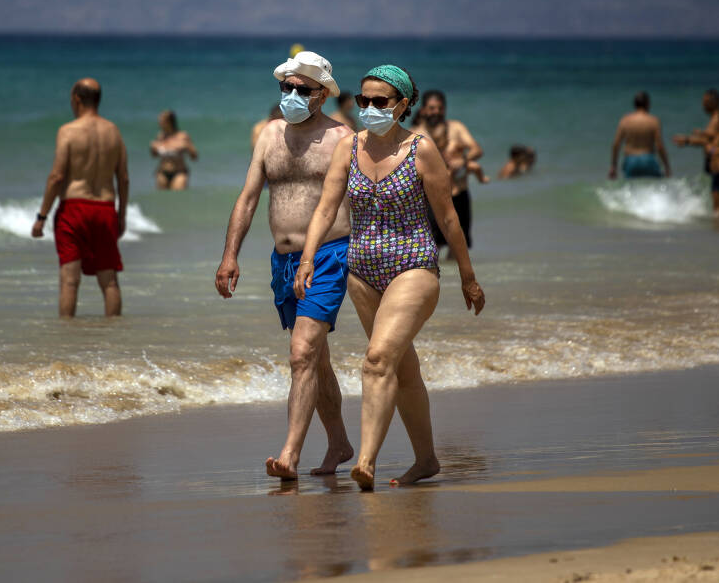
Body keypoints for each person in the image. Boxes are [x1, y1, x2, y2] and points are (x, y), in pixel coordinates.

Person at [296, 65, 485, 491]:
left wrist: (468, 277)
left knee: (378, 360)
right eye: (363, 101)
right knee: (402, 368)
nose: (369, 108)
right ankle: (427, 460)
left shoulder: (422, 149)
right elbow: (326, 209)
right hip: (361, 271)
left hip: (414, 266)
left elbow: (448, 218)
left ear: (401, 104)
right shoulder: (348, 146)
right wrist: (308, 258)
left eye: (379, 101)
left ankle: (365, 461)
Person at [215, 51, 355, 481]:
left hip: (329, 256)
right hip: (283, 261)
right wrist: (230, 254)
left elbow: (357, 201)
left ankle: (290, 454)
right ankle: (339, 443)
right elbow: (249, 197)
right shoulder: (270, 135)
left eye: (302, 90)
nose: (292, 96)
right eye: (286, 88)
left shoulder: (341, 138)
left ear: (322, 94)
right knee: (315, 358)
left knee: (300, 354)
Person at [31, 78, 129, 318]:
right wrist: (121, 216)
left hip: (74, 209)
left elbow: (56, 176)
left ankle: (67, 344)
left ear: (76, 99)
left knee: (70, 282)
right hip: (105, 208)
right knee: (109, 282)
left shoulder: (68, 131)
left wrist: (41, 216)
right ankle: (115, 341)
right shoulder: (113, 131)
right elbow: (123, 178)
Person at [412, 90, 483, 250]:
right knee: (432, 246)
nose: (436, 112)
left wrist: (462, 161)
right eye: (432, 108)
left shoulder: (456, 128)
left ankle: (455, 275)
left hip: (459, 195)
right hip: (431, 198)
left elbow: (476, 150)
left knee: (460, 246)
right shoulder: (416, 134)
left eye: (439, 108)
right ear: (423, 110)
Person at [609, 91, 671, 179]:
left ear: (634, 104)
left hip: (631, 160)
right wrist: (667, 167)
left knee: (630, 189)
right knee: (655, 187)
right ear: (648, 104)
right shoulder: (654, 121)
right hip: (648, 160)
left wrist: (613, 167)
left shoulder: (625, 120)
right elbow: (659, 146)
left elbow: (616, 144)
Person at [673, 88, 719, 173]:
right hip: (713, 160)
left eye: (706, 102)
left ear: (715, 102)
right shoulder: (716, 118)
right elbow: (711, 139)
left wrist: (687, 140)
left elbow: (708, 141)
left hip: (716, 161)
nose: (703, 105)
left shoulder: (717, 119)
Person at [150, 110, 198, 190]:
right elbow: (154, 155)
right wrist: (153, 148)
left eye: (161, 120)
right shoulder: (160, 136)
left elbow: (194, 156)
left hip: (179, 172)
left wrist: (187, 147)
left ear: (169, 121)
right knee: (163, 198)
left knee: (178, 196)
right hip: (162, 172)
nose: (159, 123)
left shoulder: (182, 136)